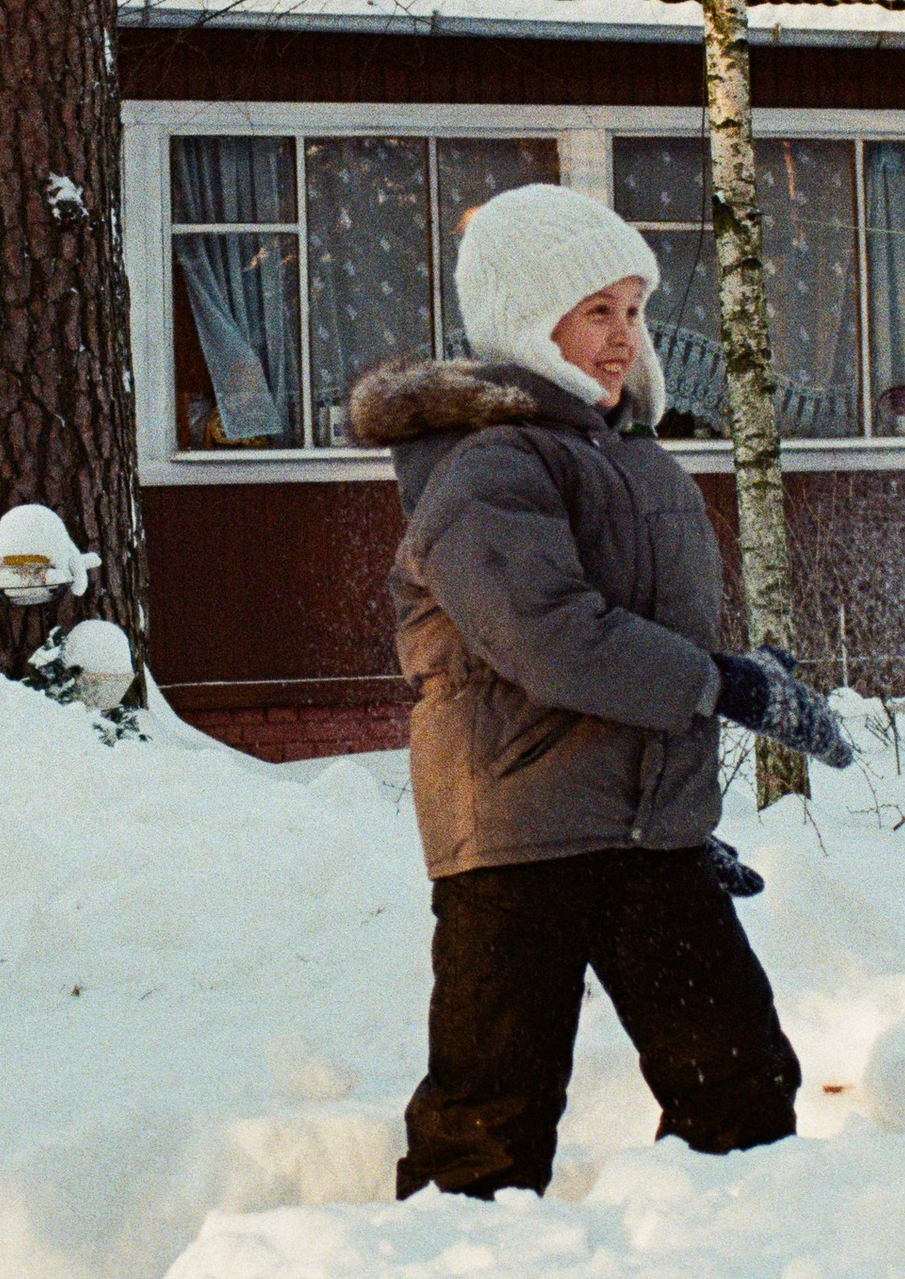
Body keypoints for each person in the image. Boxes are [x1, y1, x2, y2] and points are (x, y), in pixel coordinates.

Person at [347, 181, 855, 1200]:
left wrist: (672, 788)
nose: (623, 335)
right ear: (530, 322)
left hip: (640, 839)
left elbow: (649, 637)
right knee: (490, 1112)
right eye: (594, 312)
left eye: (632, 308)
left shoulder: (632, 460)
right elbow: (555, 640)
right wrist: (724, 686)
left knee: (741, 1084)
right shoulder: (485, 465)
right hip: (517, 836)